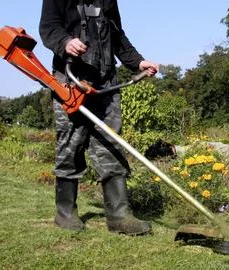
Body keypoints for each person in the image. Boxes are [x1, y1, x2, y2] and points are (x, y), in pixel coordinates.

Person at [39, 0, 159, 235]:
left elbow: (117, 35)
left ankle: (120, 217)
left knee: (111, 144)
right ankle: (65, 213)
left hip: (106, 81)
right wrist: (65, 42)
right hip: (72, 80)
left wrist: (137, 62)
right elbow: (48, 27)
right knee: (70, 145)